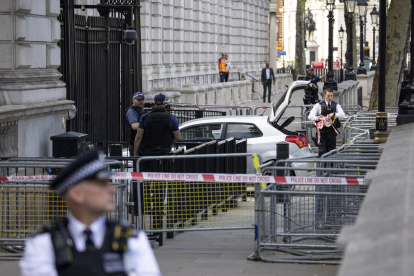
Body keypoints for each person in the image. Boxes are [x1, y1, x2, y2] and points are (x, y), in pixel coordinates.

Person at [19, 149, 161, 276]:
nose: (113, 189)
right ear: (77, 194)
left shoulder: (132, 240)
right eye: (102, 184)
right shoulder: (44, 244)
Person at [308, 88, 346, 157]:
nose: (330, 97)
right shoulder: (318, 105)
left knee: (332, 152)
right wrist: (319, 118)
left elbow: (343, 115)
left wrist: (333, 114)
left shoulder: (335, 105)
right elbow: (310, 116)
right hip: (322, 133)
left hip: (332, 133)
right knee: (322, 151)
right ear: (324, 96)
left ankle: (331, 167)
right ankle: (322, 166)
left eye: (331, 96)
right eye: (328, 96)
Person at [125, 92, 147, 156]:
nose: (141, 102)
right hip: (135, 144)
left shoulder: (143, 110)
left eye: (142, 100)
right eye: (139, 100)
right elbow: (134, 126)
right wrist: (147, 126)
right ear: (133, 100)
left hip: (143, 144)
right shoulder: (131, 111)